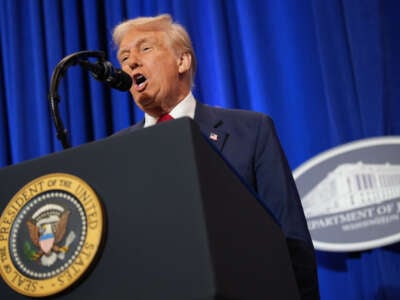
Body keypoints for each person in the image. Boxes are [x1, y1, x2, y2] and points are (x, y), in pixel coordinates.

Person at [112, 14, 320, 299]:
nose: (130, 62)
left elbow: (290, 238)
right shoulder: (117, 153)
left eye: (145, 49)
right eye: (124, 57)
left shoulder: (250, 130)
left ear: (182, 61)